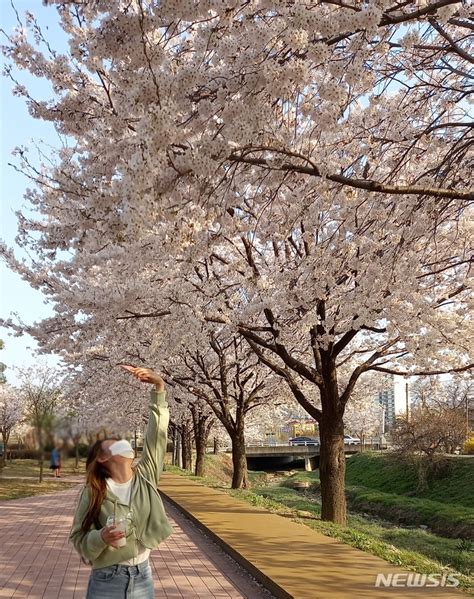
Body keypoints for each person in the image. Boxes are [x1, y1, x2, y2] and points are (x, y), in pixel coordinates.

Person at [69, 367, 173, 599]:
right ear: (103, 458)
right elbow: (77, 538)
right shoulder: (94, 491)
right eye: (115, 444)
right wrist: (101, 538)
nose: (123, 444)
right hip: (107, 578)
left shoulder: (146, 476)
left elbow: (157, 436)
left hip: (143, 576)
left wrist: (159, 388)